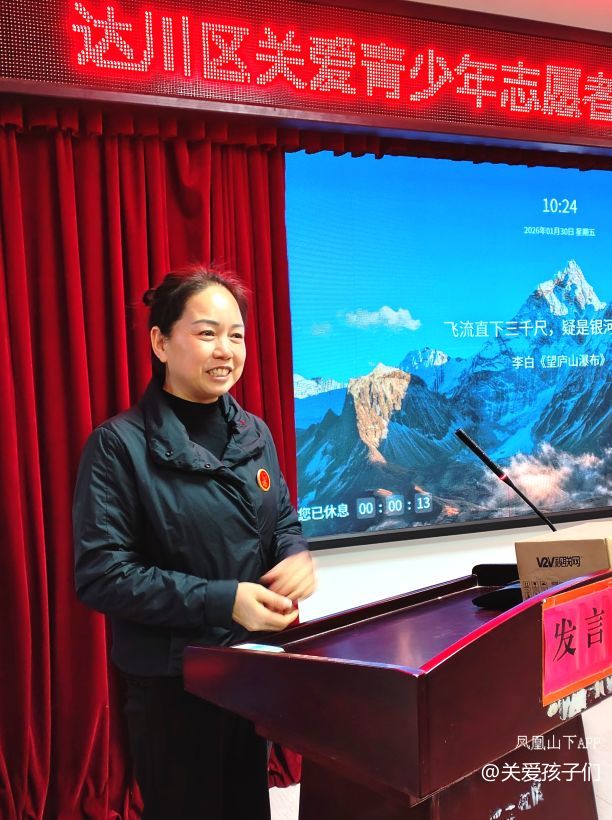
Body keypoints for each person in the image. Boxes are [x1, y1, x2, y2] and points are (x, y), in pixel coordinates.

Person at [73, 267, 315, 820]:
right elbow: (102, 575)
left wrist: (294, 553)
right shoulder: (117, 446)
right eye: (207, 333)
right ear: (161, 343)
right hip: (172, 685)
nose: (226, 350)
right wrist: (224, 600)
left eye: (236, 335)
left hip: (249, 669)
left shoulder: (254, 432)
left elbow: (281, 520)